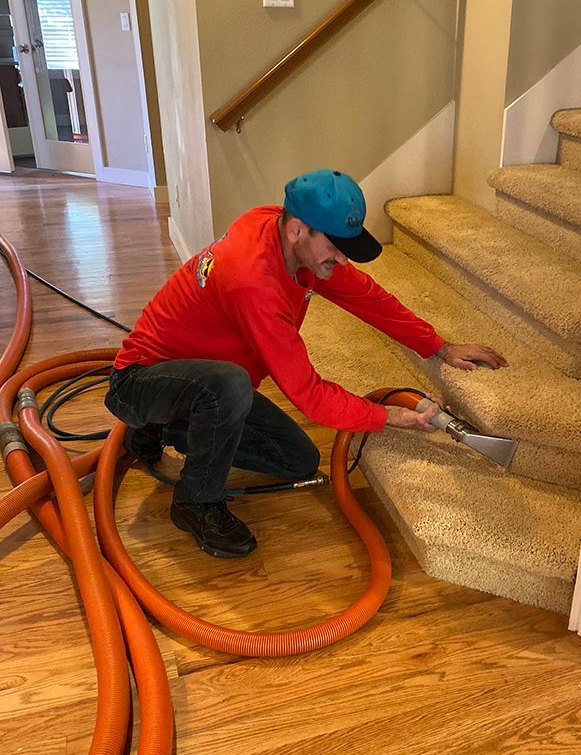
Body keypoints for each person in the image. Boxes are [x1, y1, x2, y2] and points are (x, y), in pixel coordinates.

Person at [105, 168, 507, 558]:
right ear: (298, 228)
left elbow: (367, 297)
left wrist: (438, 346)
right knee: (229, 385)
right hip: (142, 380)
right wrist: (388, 418)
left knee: (296, 460)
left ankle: (165, 426)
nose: (342, 262)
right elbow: (308, 394)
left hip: (204, 382)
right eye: (335, 247)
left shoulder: (288, 237)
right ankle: (195, 502)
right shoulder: (252, 282)